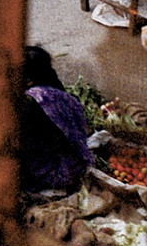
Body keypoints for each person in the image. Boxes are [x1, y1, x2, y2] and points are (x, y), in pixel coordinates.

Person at [17, 46, 92, 193]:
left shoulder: (33, 102)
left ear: (29, 80)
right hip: (75, 157)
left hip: (61, 170)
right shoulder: (48, 78)